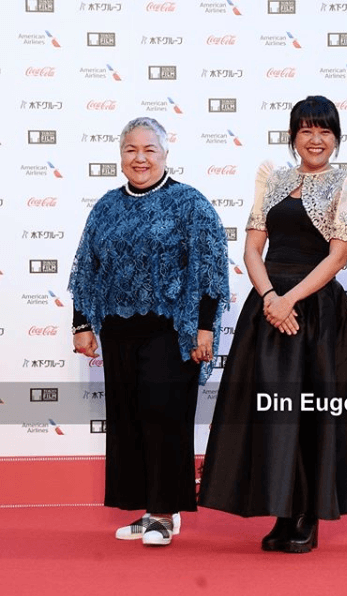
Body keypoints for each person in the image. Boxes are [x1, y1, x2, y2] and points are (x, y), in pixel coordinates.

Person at [199, 96, 347, 553]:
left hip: (313, 312)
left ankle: (306, 515)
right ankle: (282, 510)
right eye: (306, 130)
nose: (315, 139)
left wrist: (290, 300)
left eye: (324, 130)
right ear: (293, 136)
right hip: (268, 309)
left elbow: (338, 256)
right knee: (273, 415)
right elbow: (251, 249)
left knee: (311, 414)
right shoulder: (274, 178)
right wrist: (268, 298)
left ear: (336, 138)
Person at [69, 117, 229, 546]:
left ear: (164, 154)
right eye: (131, 150)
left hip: (171, 331)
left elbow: (210, 269)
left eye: (149, 149)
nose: (140, 158)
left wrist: (204, 328)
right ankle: (148, 510)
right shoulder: (106, 206)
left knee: (164, 418)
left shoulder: (189, 203)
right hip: (118, 331)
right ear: (121, 156)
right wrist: (82, 324)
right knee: (131, 421)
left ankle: (164, 513)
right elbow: (87, 269)